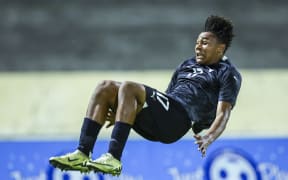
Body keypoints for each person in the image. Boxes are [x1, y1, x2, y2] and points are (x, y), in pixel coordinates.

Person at [49, 15, 242, 176]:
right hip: (162, 119)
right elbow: (164, 98)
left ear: (220, 49)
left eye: (205, 43)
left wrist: (209, 137)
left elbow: (223, 114)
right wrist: (123, 112)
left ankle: (113, 158)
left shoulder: (227, 73)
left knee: (129, 87)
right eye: (197, 42)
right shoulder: (187, 64)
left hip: (179, 121)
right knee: (105, 87)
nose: (198, 47)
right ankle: (82, 153)